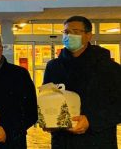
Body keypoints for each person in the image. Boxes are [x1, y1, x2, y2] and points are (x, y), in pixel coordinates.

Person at [43, 16, 121, 149]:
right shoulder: (53, 66)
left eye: (76, 31)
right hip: (63, 141)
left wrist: (91, 121)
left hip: (98, 140)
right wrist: (47, 119)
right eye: (66, 32)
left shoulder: (109, 68)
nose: (70, 35)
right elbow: (46, 98)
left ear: (88, 35)